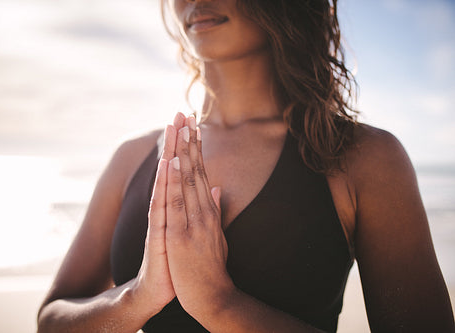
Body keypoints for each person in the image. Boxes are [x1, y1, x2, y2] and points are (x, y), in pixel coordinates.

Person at [37, 0, 455, 332]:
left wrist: (220, 304)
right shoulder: (134, 156)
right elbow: (51, 320)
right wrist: (139, 296)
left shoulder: (363, 158)